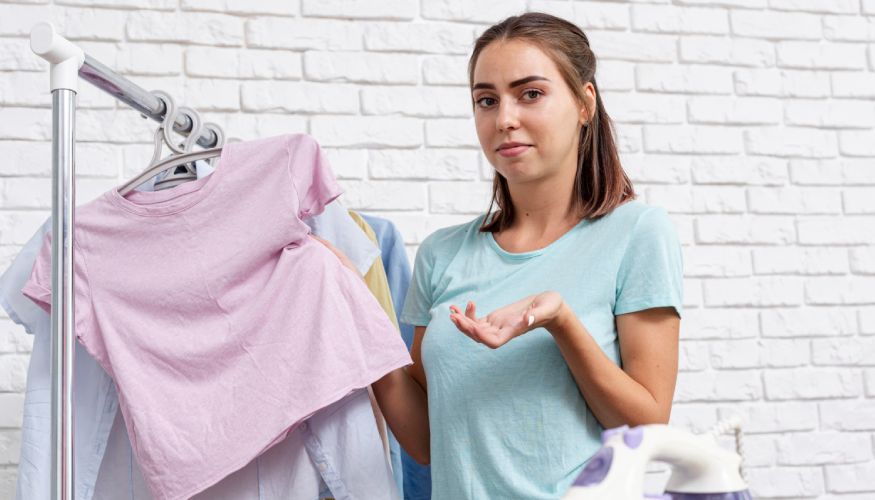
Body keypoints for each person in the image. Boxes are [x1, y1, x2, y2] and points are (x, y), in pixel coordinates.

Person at [315, 12, 683, 500]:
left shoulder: (636, 233)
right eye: (486, 100)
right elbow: (426, 440)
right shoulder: (442, 254)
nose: (504, 118)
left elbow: (646, 426)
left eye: (530, 93)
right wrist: (358, 307)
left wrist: (561, 321)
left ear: (584, 103)